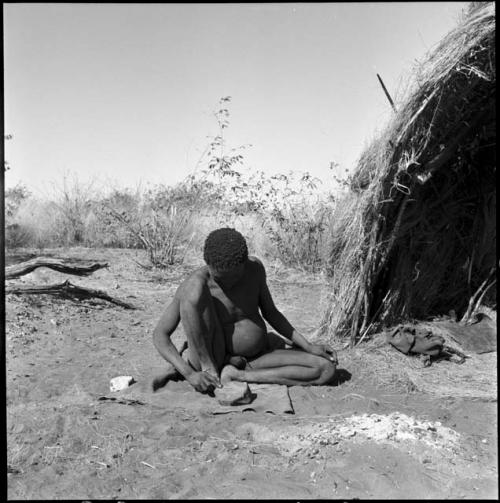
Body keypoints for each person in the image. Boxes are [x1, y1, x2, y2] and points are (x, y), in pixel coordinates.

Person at [152, 227, 337, 394]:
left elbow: (271, 312)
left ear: (244, 264)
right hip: (212, 363)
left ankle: (237, 376)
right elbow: (160, 335)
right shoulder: (196, 286)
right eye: (220, 278)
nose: (227, 283)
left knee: (325, 369)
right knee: (192, 293)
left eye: (234, 277)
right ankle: (215, 371)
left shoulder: (255, 269)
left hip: (253, 359)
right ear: (208, 265)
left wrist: (308, 346)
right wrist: (190, 374)